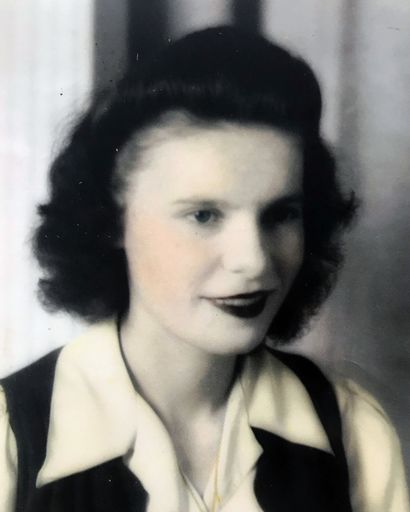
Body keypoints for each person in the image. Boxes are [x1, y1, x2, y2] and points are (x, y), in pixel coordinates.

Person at [0, 26, 408, 512]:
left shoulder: (352, 429)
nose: (254, 260)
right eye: (204, 216)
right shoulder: (12, 440)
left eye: (280, 214)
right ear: (112, 221)